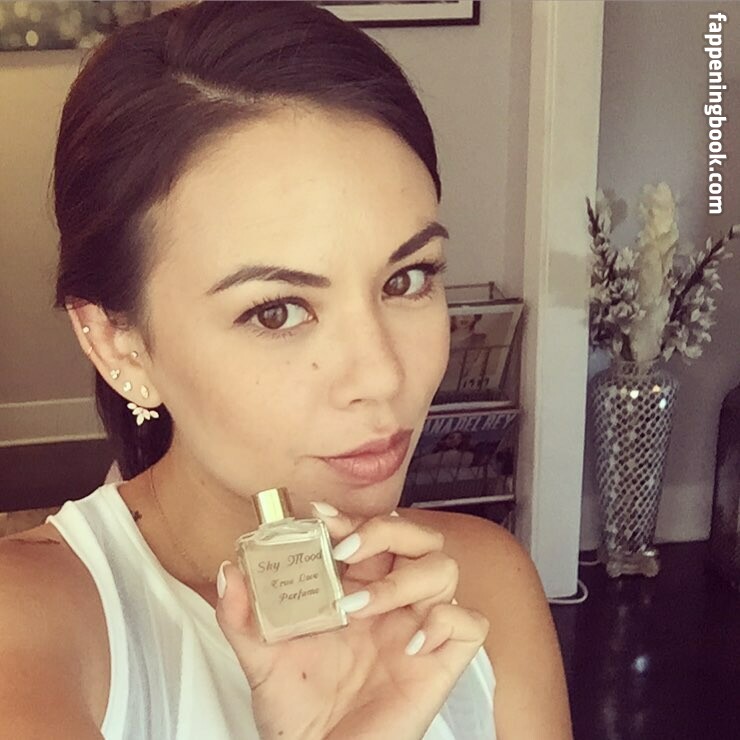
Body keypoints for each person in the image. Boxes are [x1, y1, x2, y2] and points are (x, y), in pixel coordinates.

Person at [0, 2, 572, 738]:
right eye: (276, 312)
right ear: (117, 343)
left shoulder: (485, 582)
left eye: (407, 279)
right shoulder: (30, 629)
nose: (382, 377)